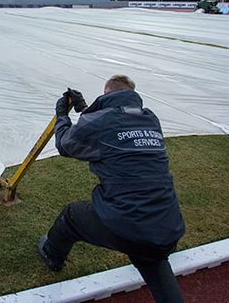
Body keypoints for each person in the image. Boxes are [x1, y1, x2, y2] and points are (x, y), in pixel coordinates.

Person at [38, 74, 185, 303]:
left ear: (106, 93)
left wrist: (62, 115)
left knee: (72, 216)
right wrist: (84, 108)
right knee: (150, 254)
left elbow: (65, 144)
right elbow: (114, 125)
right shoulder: (150, 119)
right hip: (166, 226)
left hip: (127, 222)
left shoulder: (103, 120)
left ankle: (52, 254)